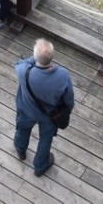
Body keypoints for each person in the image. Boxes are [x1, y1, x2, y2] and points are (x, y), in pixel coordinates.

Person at [13, 38, 75, 177]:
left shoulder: (24, 71)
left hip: (26, 110)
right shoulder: (63, 76)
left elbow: (18, 64)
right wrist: (69, 108)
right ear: (52, 57)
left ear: (35, 57)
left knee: (22, 129)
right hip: (49, 115)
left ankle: (20, 149)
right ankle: (40, 166)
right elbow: (68, 98)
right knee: (45, 139)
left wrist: (33, 59)